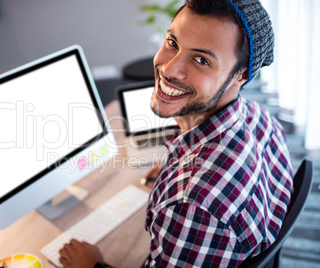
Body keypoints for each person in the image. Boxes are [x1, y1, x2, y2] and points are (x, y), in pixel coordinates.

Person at [58, 0, 294, 267]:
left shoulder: (193, 208)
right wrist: (174, 168)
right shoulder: (258, 116)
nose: (168, 69)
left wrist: (93, 266)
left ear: (241, 75)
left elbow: (201, 201)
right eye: (173, 43)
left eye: (201, 60)